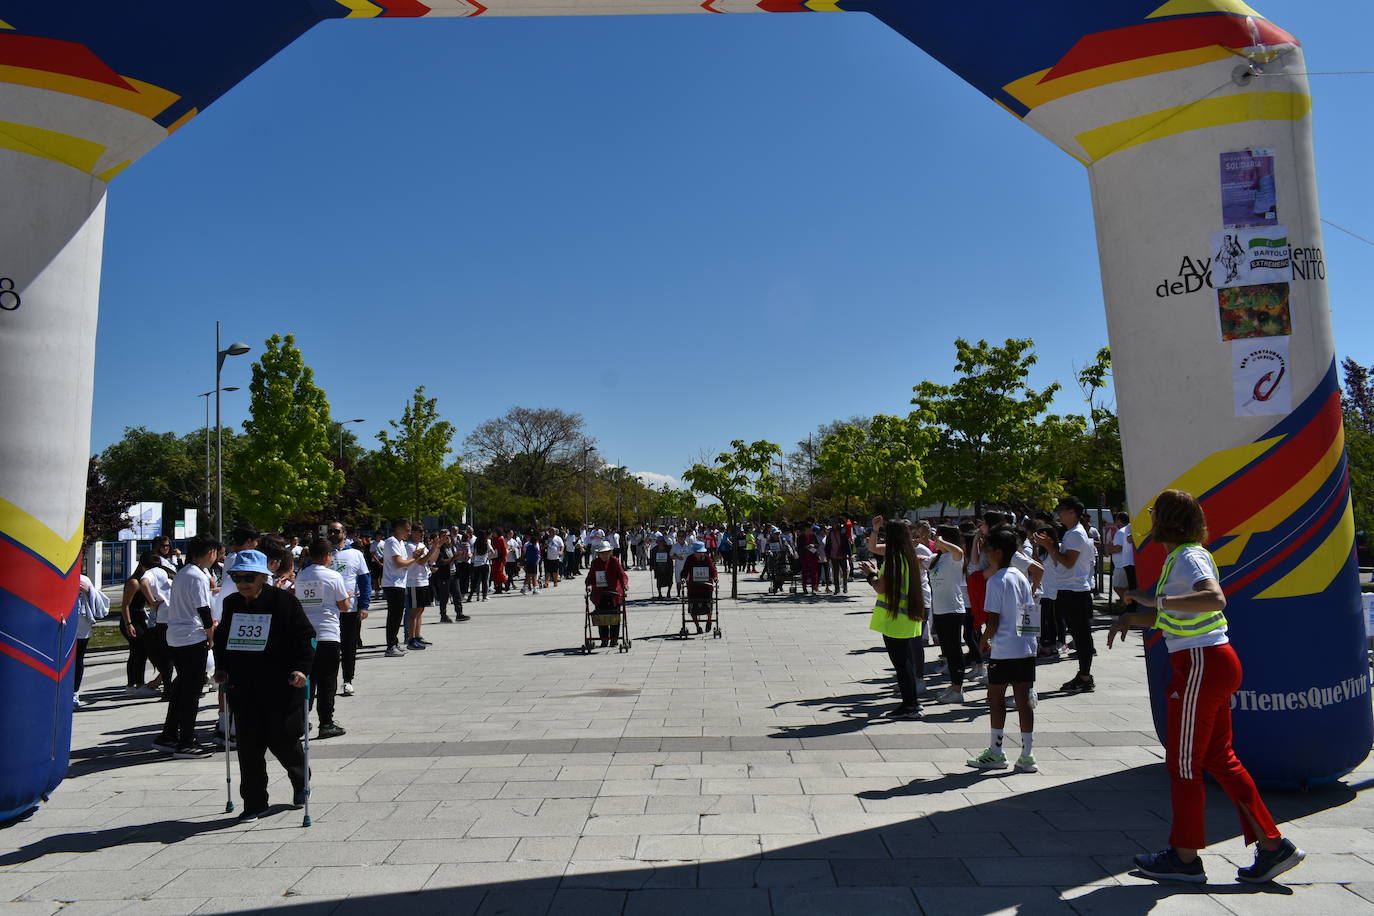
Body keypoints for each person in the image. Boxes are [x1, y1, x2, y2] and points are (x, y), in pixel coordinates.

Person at [1109, 489, 1304, 885]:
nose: (1147, 518)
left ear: (1166, 519)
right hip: (1207, 661)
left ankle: (1184, 858)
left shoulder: (1188, 556)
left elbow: (1214, 599)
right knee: (1219, 757)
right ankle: (1273, 847)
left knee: (1183, 763)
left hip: (1200, 663)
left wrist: (1155, 601)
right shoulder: (1180, 558)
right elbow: (1173, 615)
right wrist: (1134, 617)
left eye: (1153, 512)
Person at [212, 550, 316, 821]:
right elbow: (222, 638)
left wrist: (301, 669)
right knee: (249, 745)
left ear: (263, 577)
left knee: (282, 739)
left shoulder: (284, 602)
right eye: (236, 577)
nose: (242, 582)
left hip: (281, 683)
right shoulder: (233, 603)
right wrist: (222, 668)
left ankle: (300, 779)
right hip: (244, 685)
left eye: (248, 577)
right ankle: (255, 802)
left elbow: (305, 637)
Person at [967, 527, 1039, 772]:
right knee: (1024, 700)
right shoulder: (1020, 576)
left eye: (987, 549)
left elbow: (993, 620)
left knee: (995, 699)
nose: (985, 554)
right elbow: (1029, 612)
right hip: (1025, 647)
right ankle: (1027, 754)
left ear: (997, 552)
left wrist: (982, 641)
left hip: (1004, 649)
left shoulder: (996, 581)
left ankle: (996, 751)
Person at [152, 535, 221, 758]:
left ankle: (169, 734)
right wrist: (211, 633)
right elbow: (203, 610)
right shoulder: (197, 576)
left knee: (181, 688)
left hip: (176, 636)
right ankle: (186, 741)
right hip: (192, 638)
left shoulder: (183, 573)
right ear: (211, 553)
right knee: (191, 692)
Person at [857, 519, 926, 720]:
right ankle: (913, 703)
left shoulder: (894, 559)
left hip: (896, 619)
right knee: (907, 663)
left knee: (902, 665)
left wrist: (871, 574)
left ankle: (910, 706)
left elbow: (881, 588)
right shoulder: (909, 557)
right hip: (909, 616)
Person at [1036, 497, 1098, 693]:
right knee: (1080, 635)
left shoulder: (1075, 535)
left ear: (1073, 512)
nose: (1059, 513)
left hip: (1075, 591)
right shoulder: (1073, 533)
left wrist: (1050, 547)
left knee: (1081, 635)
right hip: (1071, 590)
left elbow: (1068, 562)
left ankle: (1085, 676)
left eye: (1062, 510)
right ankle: (1083, 674)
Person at [294, 538, 349, 739]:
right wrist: (348, 597)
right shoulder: (333, 576)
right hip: (328, 634)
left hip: (305, 635)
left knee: (306, 679)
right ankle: (326, 722)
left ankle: (301, 719)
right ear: (328, 556)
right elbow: (344, 606)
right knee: (327, 681)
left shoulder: (301, 575)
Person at [326, 523, 370, 696]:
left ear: (344, 534)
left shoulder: (355, 554)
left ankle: (347, 680)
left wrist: (364, 605)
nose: (333, 534)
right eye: (330, 531)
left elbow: (365, 581)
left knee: (349, 646)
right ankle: (329, 682)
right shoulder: (323, 553)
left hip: (349, 609)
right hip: (327, 610)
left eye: (336, 531)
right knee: (329, 649)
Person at [928, 525, 969, 704]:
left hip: (953, 610)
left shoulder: (954, 557)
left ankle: (958, 688)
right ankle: (953, 685)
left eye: (938, 536)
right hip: (939, 610)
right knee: (947, 652)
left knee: (954, 650)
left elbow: (959, 551)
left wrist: (943, 542)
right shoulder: (937, 558)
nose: (935, 539)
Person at [119, 552, 160, 697]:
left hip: (141, 617)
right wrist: (128, 623)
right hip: (132, 618)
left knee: (139, 651)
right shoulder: (134, 582)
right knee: (139, 651)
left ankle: (133, 684)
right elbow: (125, 606)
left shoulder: (145, 580)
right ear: (143, 566)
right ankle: (137, 684)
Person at [71, 569, 109, 709]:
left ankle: (74, 692)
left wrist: (88, 591)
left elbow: (97, 601)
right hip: (64, 625)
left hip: (82, 628)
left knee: (78, 659)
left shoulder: (84, 580)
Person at [585, 543, 629, 647]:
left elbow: (622, 575)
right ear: (598, 554)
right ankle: (604, 639)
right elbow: (590, 577)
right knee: (602, 617)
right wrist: (589, 585)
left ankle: (614, 639)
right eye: (602, 553)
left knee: (614, 617)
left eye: (606, 553)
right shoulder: (595, 563)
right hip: (600, 594)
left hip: (614, 593)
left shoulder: (615, 561)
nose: (604, 555)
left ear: (610, 553)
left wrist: (625, 584)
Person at [679, 541, 718, 635]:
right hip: (693, 587)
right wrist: (683, 578)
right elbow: (684, 571)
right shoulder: (690, 559)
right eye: (697, 552)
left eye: (700, 552)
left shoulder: (707, 558)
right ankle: (697, 626)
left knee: (709, 605)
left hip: (706, 586)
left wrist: (715, 578)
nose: (699, 554)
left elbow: (712, 570)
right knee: (693, 608)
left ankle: (709, 620)